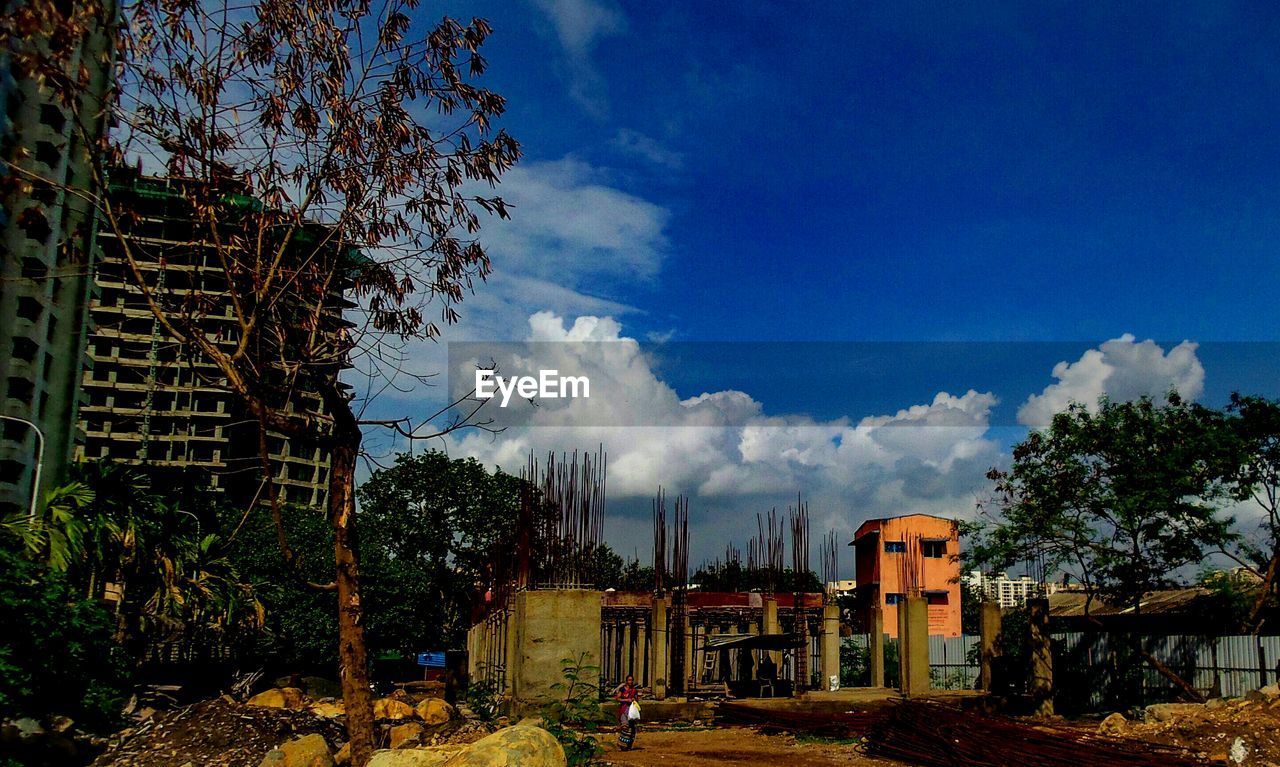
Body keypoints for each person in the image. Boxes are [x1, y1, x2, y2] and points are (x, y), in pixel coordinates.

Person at [614, 674, 640, 750]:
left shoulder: (634, 690)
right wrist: (626, 700)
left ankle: (628, 745)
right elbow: (617, 698)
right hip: (624, 710)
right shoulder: (622, 689)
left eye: (631, 680)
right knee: (625, 726)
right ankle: (621, 744)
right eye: (629, 680)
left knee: (632, 728)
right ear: (626, 681)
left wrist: (634, 700)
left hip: (631, 711)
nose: (630, 682)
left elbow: (637, 699)